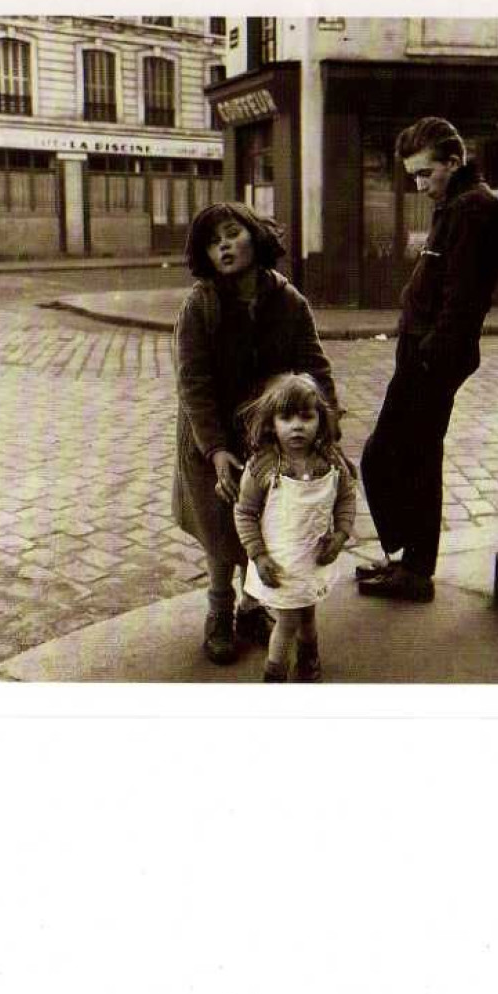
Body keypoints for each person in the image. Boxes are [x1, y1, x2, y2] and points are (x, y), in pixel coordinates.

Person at [172, 202, 342, 666]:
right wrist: (216, 450)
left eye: (231, 234)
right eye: (212, 241)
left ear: (255, 236)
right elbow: (193, 384)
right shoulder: (199, 305)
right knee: (221, 532)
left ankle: (251, 608)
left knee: (264, 523)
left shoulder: (289, 302)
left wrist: (328, 426)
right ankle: (219, 612)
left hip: (269, 440)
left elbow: (315, 367)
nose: (223, 246)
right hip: (211, 442)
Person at [358, 117, 498, 602]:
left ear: (454, 162)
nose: (419, 185)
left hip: (431, 357)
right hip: (422, 351)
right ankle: (410, 561)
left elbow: (462, 301)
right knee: (409, 457)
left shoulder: (472, 209)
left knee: (390, 457)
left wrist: (427, 359)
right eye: (413, 176)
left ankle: (416, 569)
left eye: (425, 173)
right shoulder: (455, 205)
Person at [233, 373, 357, 683]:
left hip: (313, 557)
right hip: (279, 563)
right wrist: (258, 555)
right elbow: (245, 511)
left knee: (307, 610)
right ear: (272, 423)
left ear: (321, 420)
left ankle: (309, 656)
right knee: (287, 620)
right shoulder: (264, 466)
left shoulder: (330, 462)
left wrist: (340, 536)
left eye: (306, 416)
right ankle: (275, 673)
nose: (297, 425)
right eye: (286, 417)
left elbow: (346, 499)